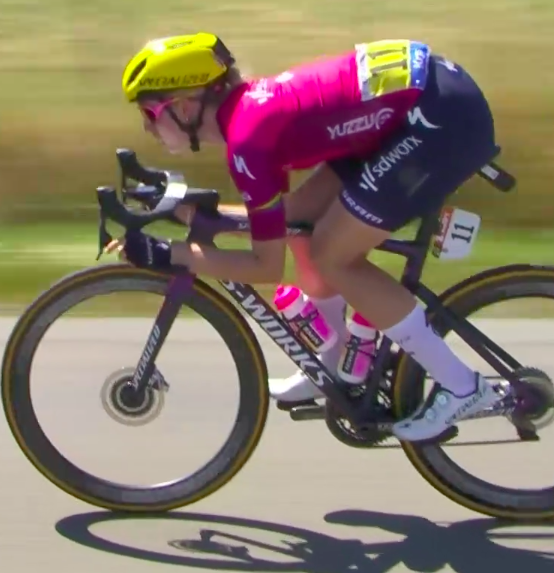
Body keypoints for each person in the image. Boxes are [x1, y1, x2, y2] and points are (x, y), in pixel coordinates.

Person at [107, 32, 504, 443]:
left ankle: (463, 386)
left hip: (439, 118)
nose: (146, 126)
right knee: (305, 227)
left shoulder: (247, 142)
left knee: (333, 256)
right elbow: (285, 218)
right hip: (420, 100)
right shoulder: (248, 117)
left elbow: (267, 266)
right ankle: (332, 362)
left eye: (149, 113)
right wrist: (185, 210)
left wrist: (170, 253)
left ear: (185, 106)